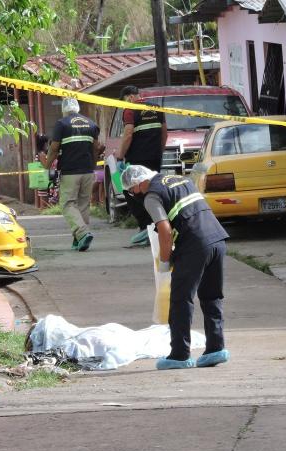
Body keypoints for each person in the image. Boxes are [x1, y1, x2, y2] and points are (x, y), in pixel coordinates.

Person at [121, 165, 230, 370]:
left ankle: (179, 355)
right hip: (217, 239)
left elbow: (165, 230)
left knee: (181, 300)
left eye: (132, 190)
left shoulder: (152, 196)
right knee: (211, 296)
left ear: (139, 183)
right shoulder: (181, 180)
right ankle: (216, 348)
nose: (134, 194)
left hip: (194, 245)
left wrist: (164, 261)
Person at [42, 98, 103, 251]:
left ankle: (82, 233)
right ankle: (79, 239)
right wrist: (93, 165)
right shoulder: (91, 124)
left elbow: (54, 148)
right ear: (77, 108)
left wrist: (47, 166)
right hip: (87, 171)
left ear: (64, 109)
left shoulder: (62, 124)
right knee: (83, 205)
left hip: (70, 172)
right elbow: (96, 148)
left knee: (67, 204)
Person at [116, 86, 167, 247]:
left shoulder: (130, 110)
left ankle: (146, 226)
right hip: (155, 158)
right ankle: (156, 225)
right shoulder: (157, 108)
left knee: (130, 190)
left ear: (130, 97)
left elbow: (128, 134)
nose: (124, 104)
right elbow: (164, 133)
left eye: (124, 101)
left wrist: (120, 157)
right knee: (152, 190)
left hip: (137, 159)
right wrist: (159, 152)